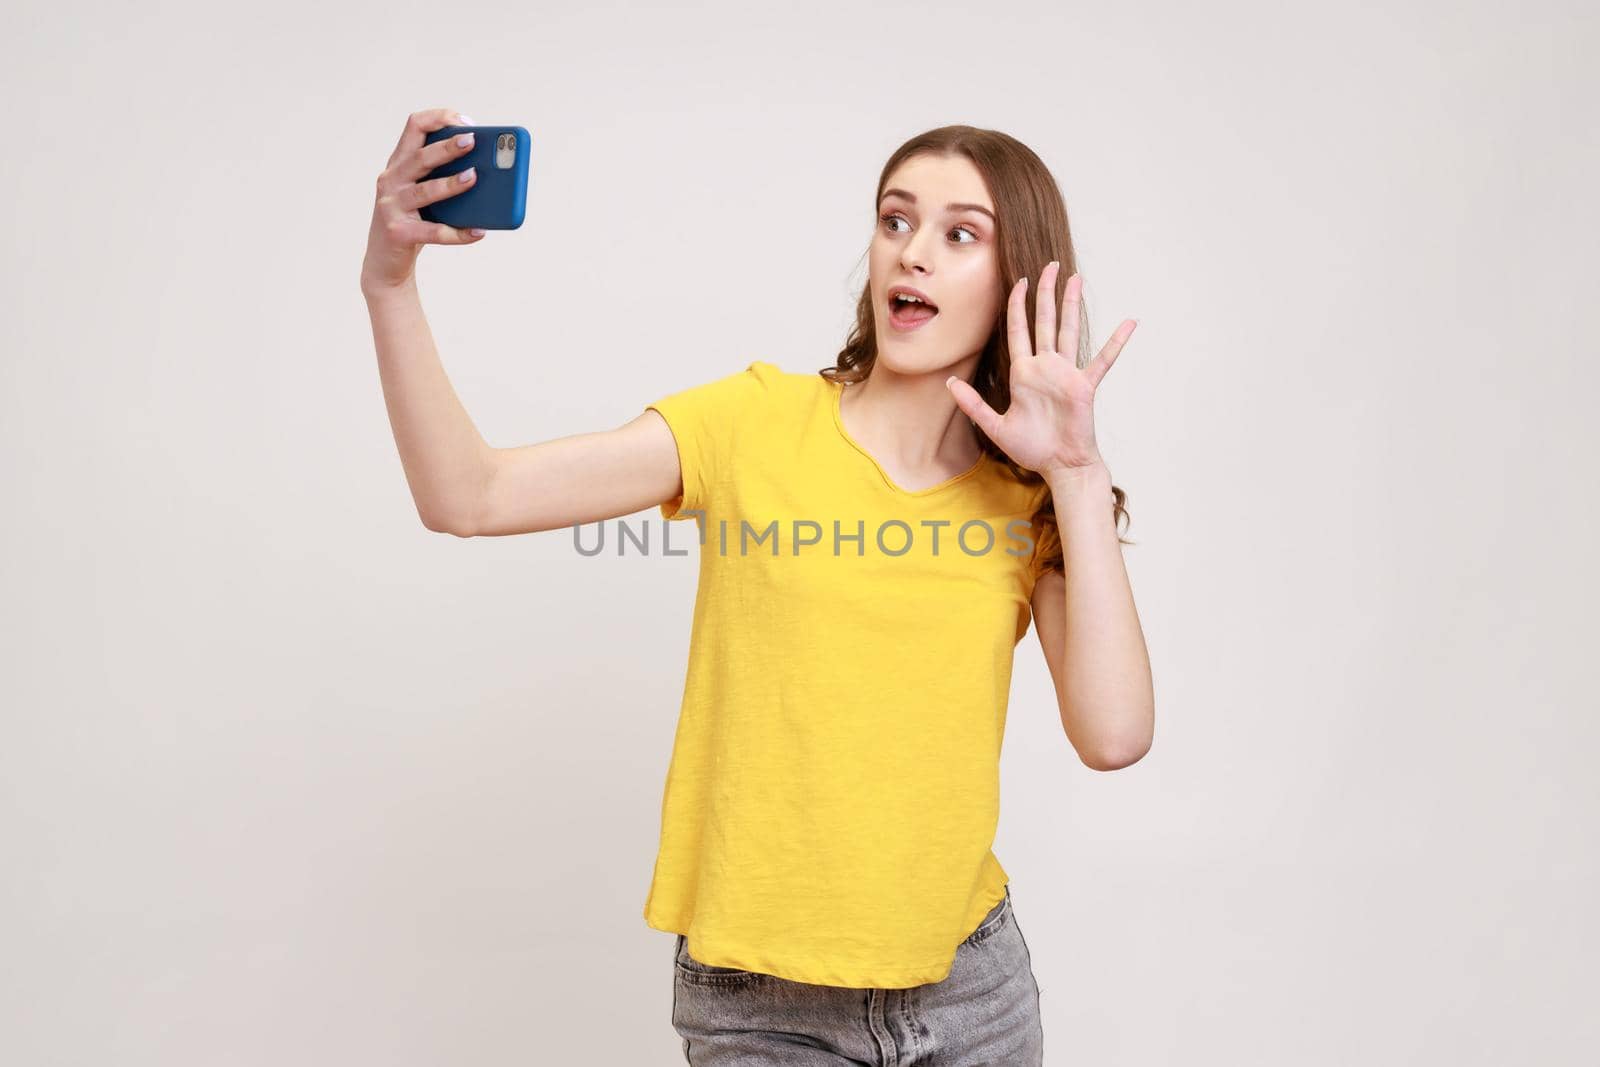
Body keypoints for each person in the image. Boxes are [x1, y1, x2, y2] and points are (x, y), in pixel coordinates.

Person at [362, 109, 1155, 1066]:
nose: (914, 255)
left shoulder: (1028, 499)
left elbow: (1113, 735)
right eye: (895, 221)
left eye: (961, 235)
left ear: (1018, 281)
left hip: (972, 988)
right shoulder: (754, 423)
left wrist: (1074, 470)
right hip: (764, 1008)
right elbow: (470, 495)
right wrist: (389, 281)